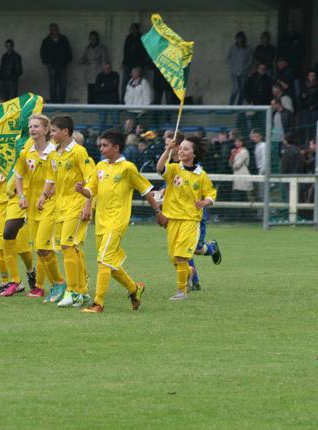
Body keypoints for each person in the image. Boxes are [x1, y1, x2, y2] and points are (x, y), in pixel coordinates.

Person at [77, 130, 165, 313]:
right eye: (100, 145)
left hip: (117, 222)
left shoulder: (127, 168)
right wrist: (81, 190)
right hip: (100, 222)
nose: (101, 148)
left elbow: (146, 190)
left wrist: (158, 212)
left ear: (116, 148)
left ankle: (98, 303)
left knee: (103, 260)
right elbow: (91, 191)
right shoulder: (100, 166)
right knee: (110, 264)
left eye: (105, 145)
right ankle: (134, 289)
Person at [4, 114, 66, 300]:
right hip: (32, 206)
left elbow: (52, 179)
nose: (32, 129)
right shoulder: (26, 152)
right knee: (39, 247)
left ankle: (59, 283)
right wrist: (22, 196)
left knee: (42, 245)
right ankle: (48, 285)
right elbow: (19, 176)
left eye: (37, 126)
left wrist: (44, 195)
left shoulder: (53, 153)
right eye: (31, 126)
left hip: (49, 205)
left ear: (46, 130)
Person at [157, 135, 217, 300]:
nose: (181, 151)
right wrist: (168, 149)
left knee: (181, 256)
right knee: (174, 258)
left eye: (185, 148)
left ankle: (181, 291)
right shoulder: (175, 169)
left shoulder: (201, 175)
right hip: (172, 219)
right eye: (180, 148)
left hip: (190, 221)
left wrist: (206, 202)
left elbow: (211, 194)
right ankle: (189, 273)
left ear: (194, 153)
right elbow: (160, 168)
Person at [49, 115, 94, 307]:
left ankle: (72, 290)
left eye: (53, 131)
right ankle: (82, 292)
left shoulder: (79, 152)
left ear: (65, 132)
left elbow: (91, 178)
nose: (50, 134)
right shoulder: (56, 153)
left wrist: (87, 203)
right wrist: (44, 196)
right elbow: (52, 180)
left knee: (68, 246)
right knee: (71, 247)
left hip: (75, 205)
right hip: (60, 207)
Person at [0, 172, 35, 295]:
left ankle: (30, 272)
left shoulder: (20, 160)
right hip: (0, 207)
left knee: (23, 249)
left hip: (17, 206)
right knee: (0, 248)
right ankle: (6, 282)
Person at [40, 23, 72, 103]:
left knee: (63, 85)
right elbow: (42, 53)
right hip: (52, 66)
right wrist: (46, 63)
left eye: (55, 29)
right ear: (50, 30)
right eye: (52, 29)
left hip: (62, 66)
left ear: (58, 30)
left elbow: (69, 51)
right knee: (53, 85)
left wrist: (67, 61)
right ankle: (54, 103)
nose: (54, 31)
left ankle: (62, 103)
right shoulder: (46, 41)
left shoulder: (63, 39)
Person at [121, 23, 148, 98]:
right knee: (125, 84)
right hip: (128, 64)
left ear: (136, 30)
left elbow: (144, 53)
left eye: (132, 29)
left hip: (137, 65)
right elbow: (125, 51)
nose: (131, 30)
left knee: (138, 84)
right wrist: (124, 62)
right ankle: (123, 103)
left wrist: (141, 65)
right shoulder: (128, 38)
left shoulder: (141, 38)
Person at [80, 31, 108, 104]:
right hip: (90, 72)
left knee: (98, 89)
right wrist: (82, 61)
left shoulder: (101, 48)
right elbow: (84, 58)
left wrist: (105, 71)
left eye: (94, 38)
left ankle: (97, 105)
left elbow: (104, 60)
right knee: (90, 90)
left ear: (97, 39)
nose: (93, 40)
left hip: (98, 70)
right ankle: (90, 106)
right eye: (91, 38)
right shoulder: (88, 48)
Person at [227, 31, 252, 105]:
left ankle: (239, 107)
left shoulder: (248, 49)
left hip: (244, 73)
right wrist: (233, 65)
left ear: (243, 39)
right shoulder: (232, 48)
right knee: (235, 89)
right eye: (237, 39)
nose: (239, 40)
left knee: (242, 90)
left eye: (240, 38)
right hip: (234, 73)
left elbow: (250, 60)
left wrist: (246, 67)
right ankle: (230, 107)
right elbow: (228, 58)